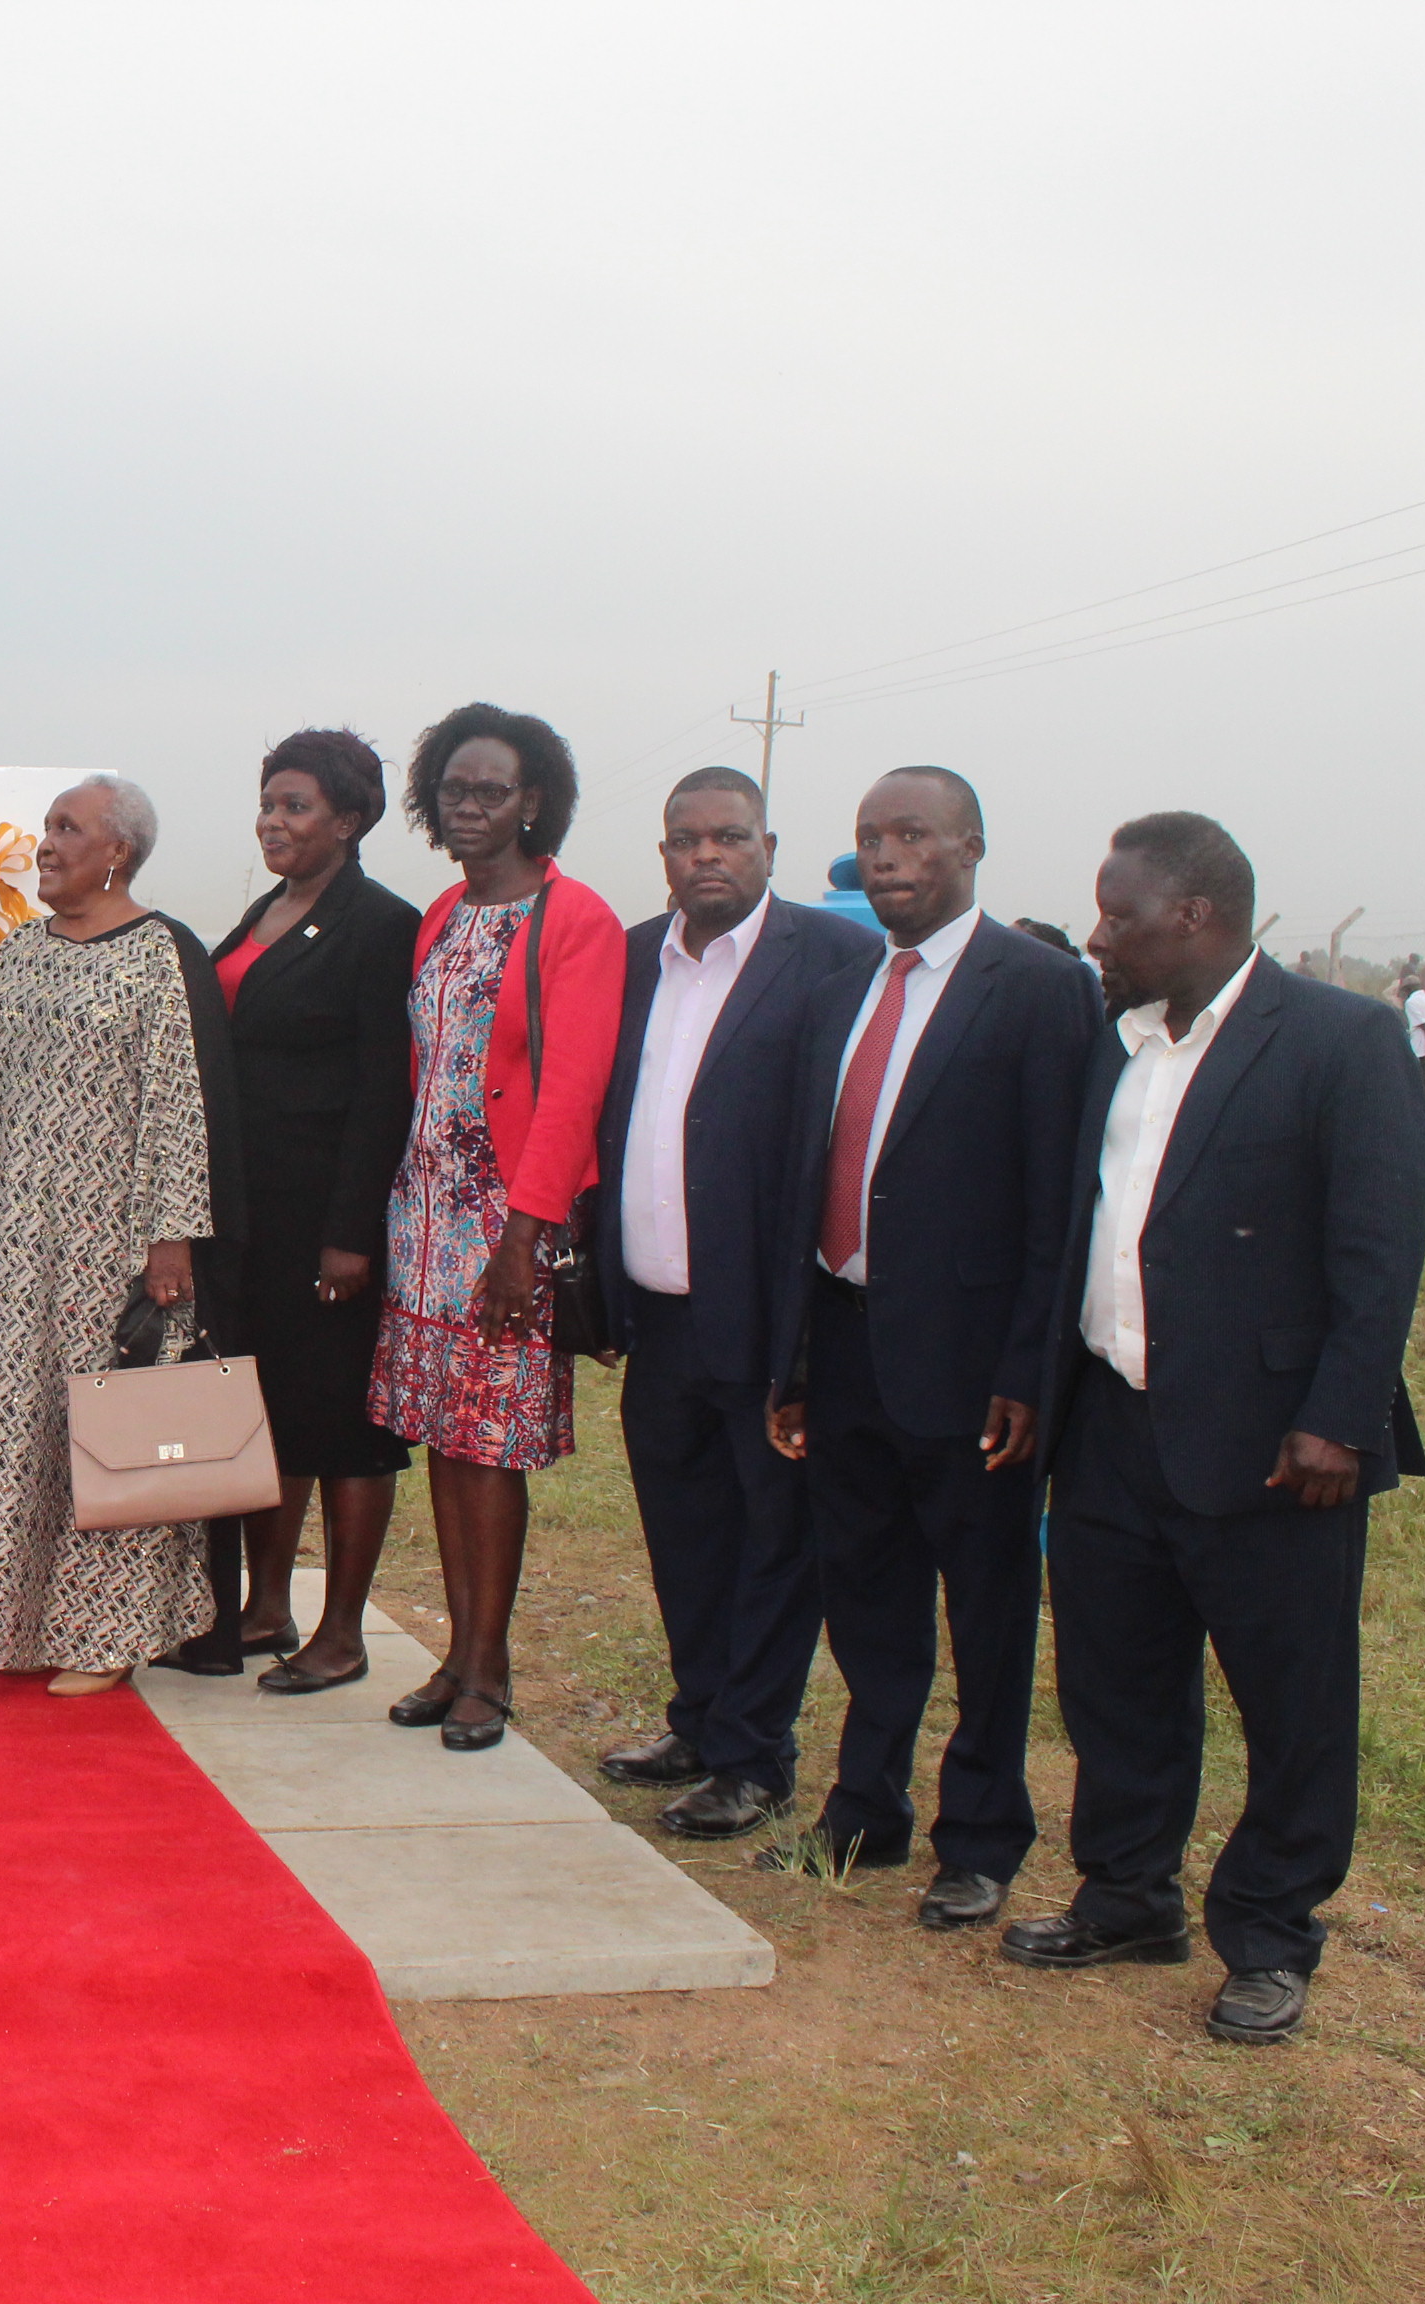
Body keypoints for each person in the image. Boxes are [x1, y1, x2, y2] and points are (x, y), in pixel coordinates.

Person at [1004, 815, 1425, 2045]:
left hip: (1274, 1444)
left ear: (1194, 916)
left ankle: (1272, 1933)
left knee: (1291, 1702)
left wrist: (1339, 1419)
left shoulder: (1341, 1042)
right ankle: (1128, 1896)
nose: (1098, 935)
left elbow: (1380, 1247)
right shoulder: (1115, 1042)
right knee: (1117, 1684)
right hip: (1114, 1426)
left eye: (1118, 913)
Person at [766, 767, 1100, 1928]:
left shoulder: (1041, 987)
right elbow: (818, 1179)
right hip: (847, 1343)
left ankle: (983, 1833)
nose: (890, 854)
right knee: (863, 1589)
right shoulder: (851, 986)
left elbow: (1060, 1204)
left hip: (972, 1369)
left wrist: (1028, 1372)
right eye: (871, 836)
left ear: (970, 845)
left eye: (914, 834)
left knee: (989, 1605)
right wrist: (798, 1360)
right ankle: (867, 1804)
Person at [589, 768, 879, 1831]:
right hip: (657, 1310)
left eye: (728, 838)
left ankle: (756, 1755)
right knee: (683, 1526)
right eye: (684, 840)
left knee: (773, 1535)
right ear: (662, 853)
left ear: (769, 846)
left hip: (771, 1314)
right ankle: (700, 1718)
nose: (706, 856)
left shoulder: (832, 958)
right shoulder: (627, 961)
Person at [0, 772, 235, 1697]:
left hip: (109, 1244)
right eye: (46, 825)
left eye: (69, 827)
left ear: (118, 852)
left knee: (104, 1433)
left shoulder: (156, 955)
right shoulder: (19, 951)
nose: (46, 843)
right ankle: (7, 1617)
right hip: (8, 1241)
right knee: (10, 1427)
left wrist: (171, 1241)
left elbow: (177, 1104)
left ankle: (107, 1636)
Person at [367, 705, 623, 1752]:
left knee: (491, 1446)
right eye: (454, 790)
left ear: (533, 801)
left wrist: (526, 1236)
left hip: (503, 1222)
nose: (469, 807)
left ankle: (493, 1666)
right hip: (421, 1215)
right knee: (443, 1439)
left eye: (491, 790)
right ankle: (456, 1655)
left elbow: (571, 1091)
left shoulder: (576, 919)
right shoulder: (441, 914)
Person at [204, 731, 417, 1695]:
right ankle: (264, 1607)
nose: (273, 821)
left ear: (349, 819)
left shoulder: (382, 924)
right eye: (267, 802)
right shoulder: (266, 910)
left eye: (295, 806)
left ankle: (340, 1633)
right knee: (271, 1412)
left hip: (327, 1224)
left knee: (341, 1424)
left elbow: (382, 1091)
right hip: (254, 1217)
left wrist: (351, 1234)